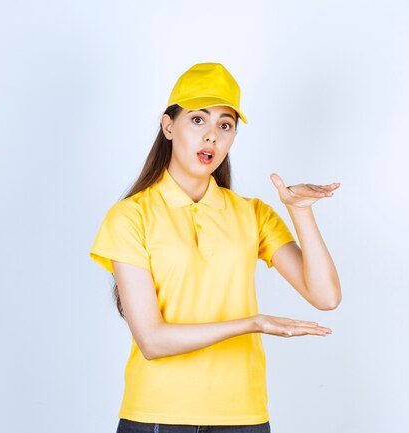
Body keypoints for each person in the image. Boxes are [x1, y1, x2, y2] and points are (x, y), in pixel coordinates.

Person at [89, 62, 341, 433]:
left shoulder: (252, 214)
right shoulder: (130, 217)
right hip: (158, 413)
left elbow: (325, 296)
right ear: (168, 126)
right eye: (198, 120)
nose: (212, 137)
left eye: (225, 125)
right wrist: (252, 323)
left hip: (244, 416)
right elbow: (152, 340)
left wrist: (299, 212)